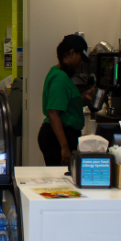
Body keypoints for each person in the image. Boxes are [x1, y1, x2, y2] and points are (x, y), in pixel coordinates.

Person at [38, 34, 93, 167]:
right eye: (81, 58)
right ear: (72, 53)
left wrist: (82, 98)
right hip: (57, 138)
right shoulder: (60, 79)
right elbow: (53, 112)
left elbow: (65, 103)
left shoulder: (59, 74)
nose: (81, 63)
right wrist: (64, 147)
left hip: (61, 135)